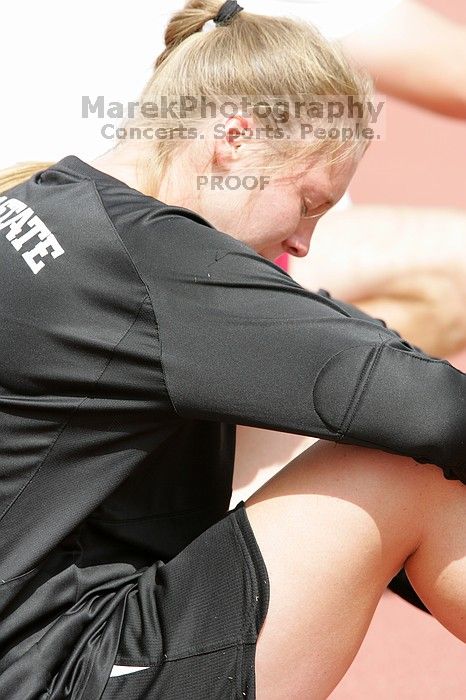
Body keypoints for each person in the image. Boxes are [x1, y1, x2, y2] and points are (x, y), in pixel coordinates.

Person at [0, 2, 465, 699]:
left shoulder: (52, 201)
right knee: (407, 470)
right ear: (234, 138)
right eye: (309, 202)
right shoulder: (149, 259)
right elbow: (426, 405)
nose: (305, 241)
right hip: (56, 674)